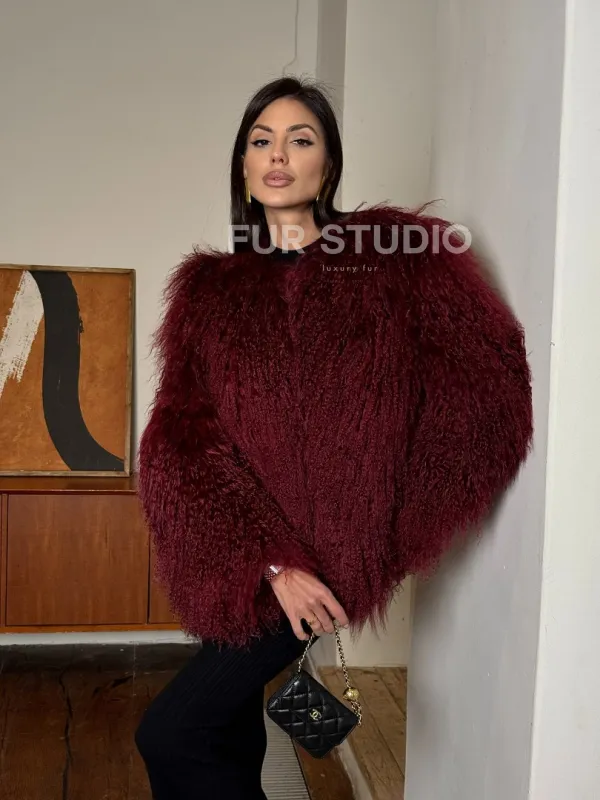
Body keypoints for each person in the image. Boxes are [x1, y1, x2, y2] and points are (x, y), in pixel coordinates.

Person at [134, 76, 533, 799]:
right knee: (221, 737)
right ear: (243, 167)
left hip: (328, 564)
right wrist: (268, 561)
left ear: (328, 165)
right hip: (245, 561)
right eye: (261, 140)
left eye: (300, 139)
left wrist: (381, 534)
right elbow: (182, 440)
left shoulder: (394, 261)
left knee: (171, 733)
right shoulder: (209, 292)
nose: (278, 154)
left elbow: (487, 392)